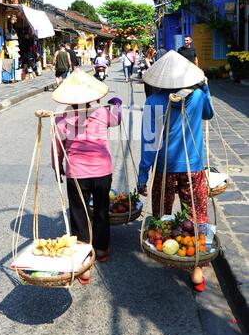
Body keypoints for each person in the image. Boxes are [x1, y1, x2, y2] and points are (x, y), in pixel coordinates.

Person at [137, 50, 214, 292]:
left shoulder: (154, 102)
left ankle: (169, 253)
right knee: (197, 216)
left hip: (164, 169)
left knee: (163, 216)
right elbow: (208, 115)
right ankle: (197, 269)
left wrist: (142, 177)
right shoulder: (199, 95)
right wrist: (206, 88)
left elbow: (149, 144)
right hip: (194, 168)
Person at [51, 69, 122, 283]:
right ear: (94, 98)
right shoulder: (103, 114)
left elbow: (57, 150)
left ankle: (84, 265)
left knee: (79, 215)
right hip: (102, 172)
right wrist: (116, 102)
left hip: (77, 174)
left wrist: (58, 168)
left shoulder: (62, 119)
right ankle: (101, 250)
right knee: (101, 210)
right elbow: (117, 116)